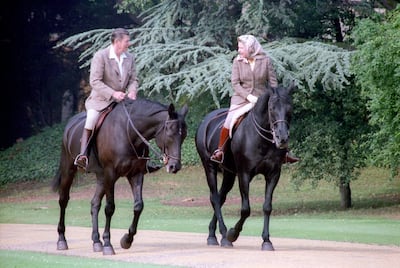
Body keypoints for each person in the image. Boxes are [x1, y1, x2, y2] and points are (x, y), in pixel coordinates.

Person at [210, 34, 299, 164]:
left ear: (251, 48)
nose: (239, 50)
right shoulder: (237, 61)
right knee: (229, 121)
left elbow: (273, 83)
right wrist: (248, 96)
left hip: (262, 99)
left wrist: (275, 98)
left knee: (278, 120)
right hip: (241, 99)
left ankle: (284, 153)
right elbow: (235, 84)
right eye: (238, 48)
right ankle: (220, 151)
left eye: (241, 48)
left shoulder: (266, 61)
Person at [74, 28, 139, 169]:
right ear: (117, 42)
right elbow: (95, 81)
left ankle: (141, 158)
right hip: (100, 101)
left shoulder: (130, 57)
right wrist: (113, 93)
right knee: (91, 119)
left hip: (122, 101)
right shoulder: (101, 56)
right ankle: (83, 155)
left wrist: (132, 91)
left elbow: (134, 79)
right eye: (127, 41)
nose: (129, 43)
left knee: (138, 120)